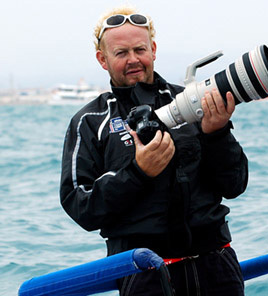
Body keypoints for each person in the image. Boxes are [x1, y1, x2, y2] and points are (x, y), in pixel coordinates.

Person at [60, 5, 248, 296]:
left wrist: (218, 134)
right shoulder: (90, 121)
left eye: (140, 49)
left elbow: (235, 185)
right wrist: (137, 173)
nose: (133, 60)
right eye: (121, 53)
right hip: (143, 273)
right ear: (103, 59)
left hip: (216, 265)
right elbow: (79, 206)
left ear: (154, 49)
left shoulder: (191, 102)